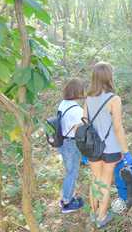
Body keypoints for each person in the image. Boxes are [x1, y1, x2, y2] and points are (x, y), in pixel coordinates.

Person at [84, 62, 132, 229]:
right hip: (110, 148)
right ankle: (102, 216)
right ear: (109, 77)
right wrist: (127, 152)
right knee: (105, 181)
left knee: (95, 179)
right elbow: (118, 127)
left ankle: (93, 214)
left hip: (92, 147)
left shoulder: (88, 98)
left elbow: (84, 122)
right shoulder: (114, 99)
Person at [57, 77, 86, 213]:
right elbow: (78, 134)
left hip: (61, 141)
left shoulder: (63, 103)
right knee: (72, 173)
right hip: (70, 143)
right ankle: (67, 204)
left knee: (69, 170)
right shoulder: (77, 110)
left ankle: (65, 197)